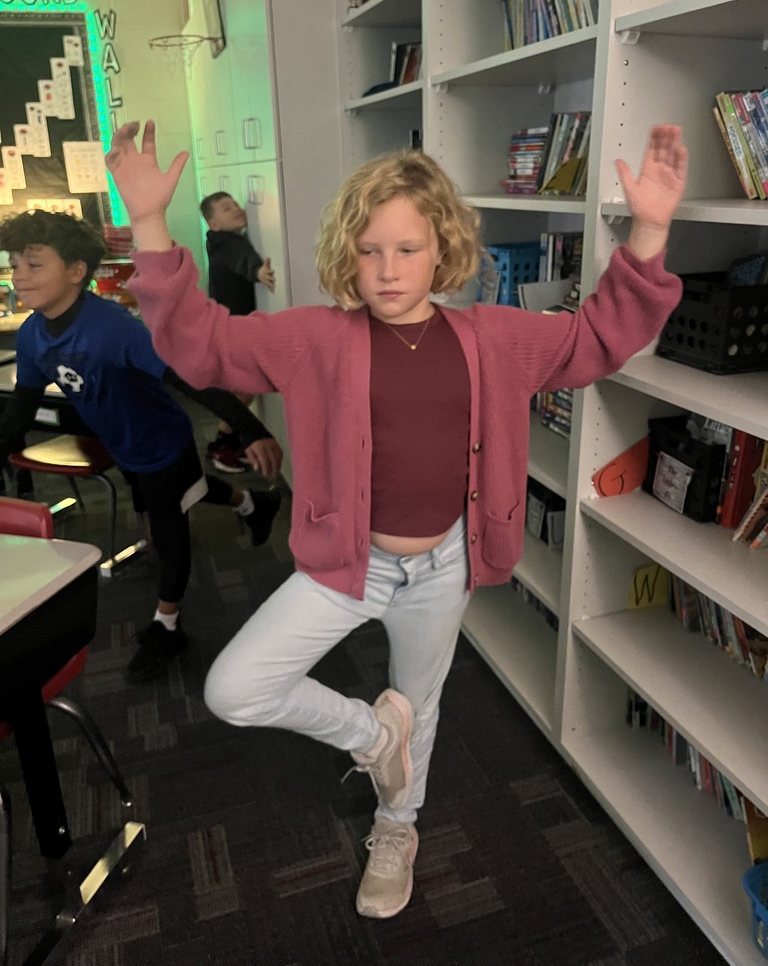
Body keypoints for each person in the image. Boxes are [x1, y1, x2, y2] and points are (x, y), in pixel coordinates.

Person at [106, 119, 687, 918]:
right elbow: (199, 346)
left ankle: (397, 825)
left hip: (445, 564)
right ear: (346, 254)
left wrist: (648, 231)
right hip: (350, 563)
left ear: (441, 250)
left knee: (423, 697)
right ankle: (375, 738)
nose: (387, 269)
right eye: (369, 250)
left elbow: (600, 337)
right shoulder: (315, 337)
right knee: (236, 688)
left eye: (408, 249)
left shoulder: (494, 338)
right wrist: (148, 223)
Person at [0, 209, 283, 683]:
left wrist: (249, 428)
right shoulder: (31, 336)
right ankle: (254, 504)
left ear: (76, 271)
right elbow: (22, 408)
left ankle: (167, 625)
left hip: (161, 442)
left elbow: (189, 379)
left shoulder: (116, 328)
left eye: (34, 264)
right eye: (15, 265)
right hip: (120, 441)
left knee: (168, 531)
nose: (19, 277)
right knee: (184, 493)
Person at [200, 191, 276, 473]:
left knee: (243, 390)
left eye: (234, 204)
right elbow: (241, 259)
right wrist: (259, 272)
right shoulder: (229, 244)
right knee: (244, 391)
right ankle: (222, 448)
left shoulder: (217, 241)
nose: (235, 209)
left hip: (227, 328)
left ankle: (227, 444)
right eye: (226, 208)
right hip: (234, 331)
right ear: (214, 224)